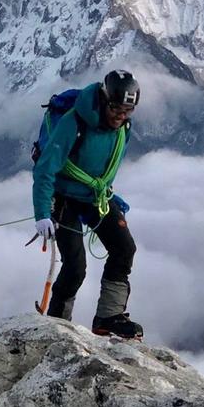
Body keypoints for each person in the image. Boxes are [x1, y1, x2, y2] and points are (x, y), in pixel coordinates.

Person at [32, 70, 142, 339]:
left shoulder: (123, 128)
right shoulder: (74, 123)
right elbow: (45, 169)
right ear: (104, 100)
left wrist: (108, 194)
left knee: (124, 248)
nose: (121, 115)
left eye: (128, 110)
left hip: (94, 197)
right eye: (116, 108)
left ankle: (109, 317)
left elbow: (107, 166)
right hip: (64, 197)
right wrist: (42, 213)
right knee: (75, 266)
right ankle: (58, 325)